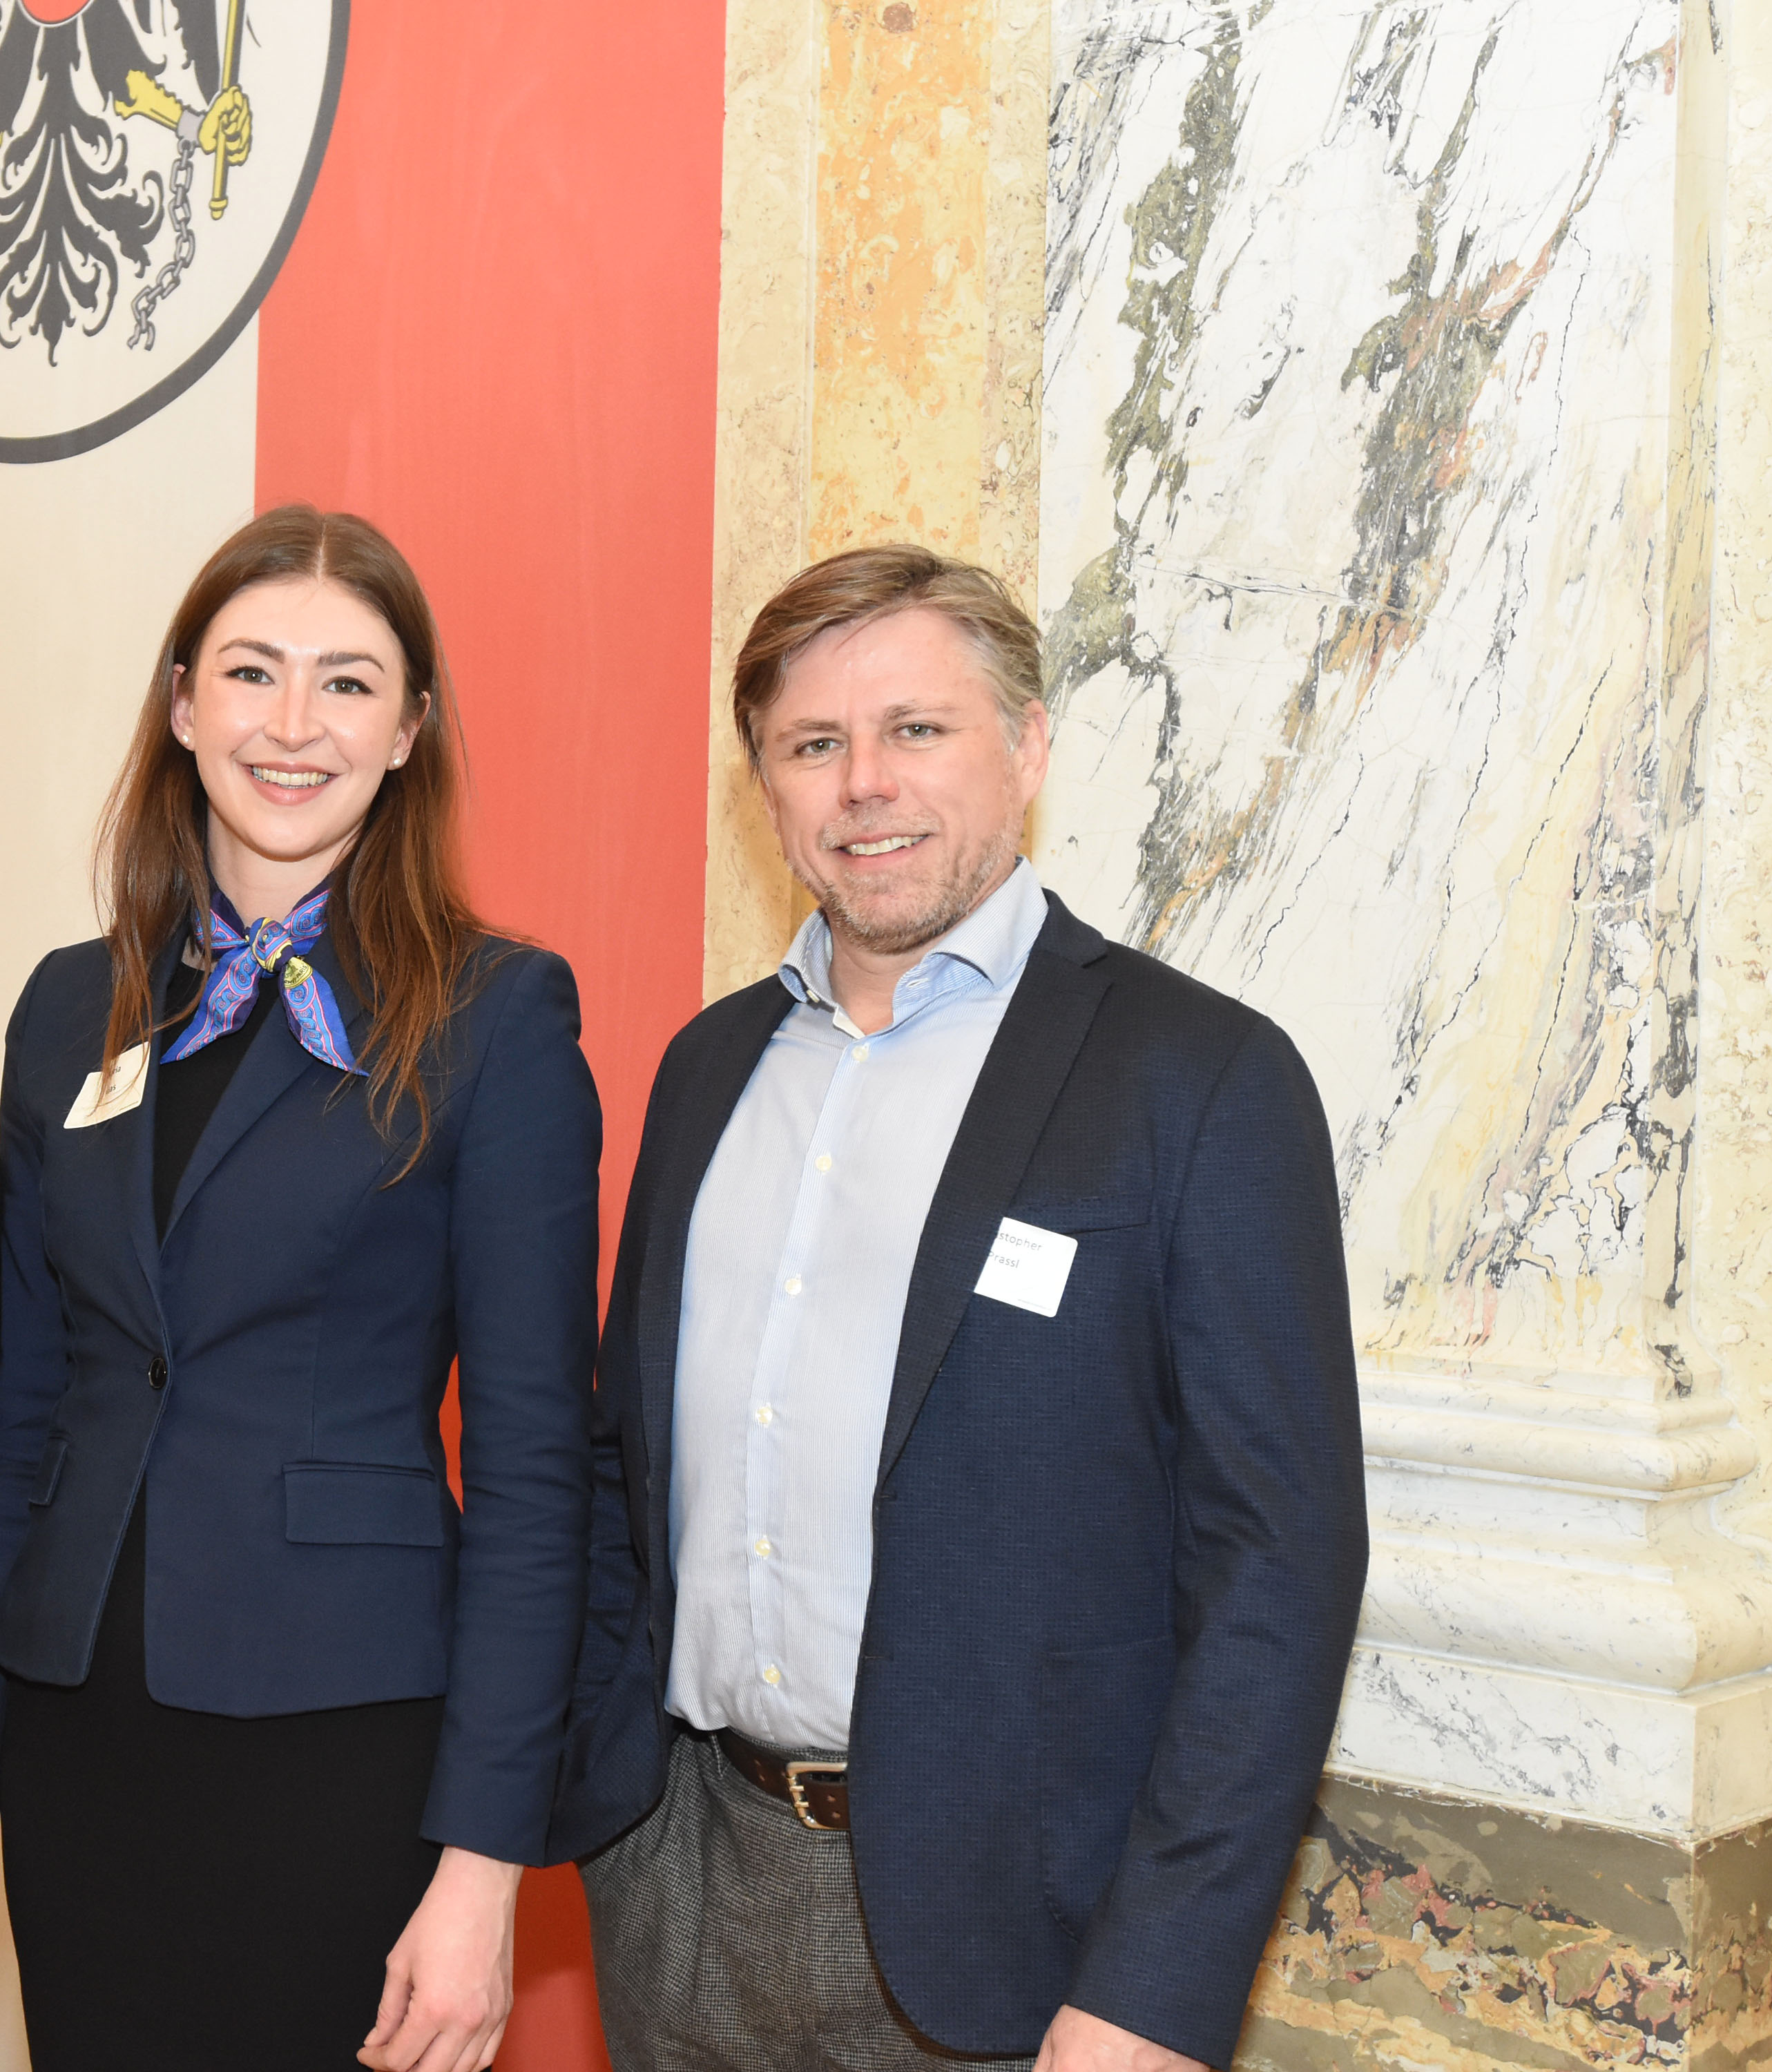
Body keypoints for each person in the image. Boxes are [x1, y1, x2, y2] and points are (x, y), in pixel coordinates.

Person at [555, 547, 1368, 2071]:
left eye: (916, 729)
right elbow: (622, 1467)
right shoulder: (708, 1070)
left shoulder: (1199, 1081)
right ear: (765, 788)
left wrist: (1154, 1989)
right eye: (814, 744)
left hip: (1016, 1940)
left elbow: (1278, 1570)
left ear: (1029, 746)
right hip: (681, 1884)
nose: (865, 783)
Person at [0, 506, 601, 2072]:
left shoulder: (494, 1014)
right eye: (253, 672)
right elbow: (23, 1430)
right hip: (82, 1735)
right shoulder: (70, 1006)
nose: (293, 725)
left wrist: (483, 1867)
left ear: (408, 731)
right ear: (182, 703)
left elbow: (538, 1474)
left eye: (349, 684)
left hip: (342, 1742)